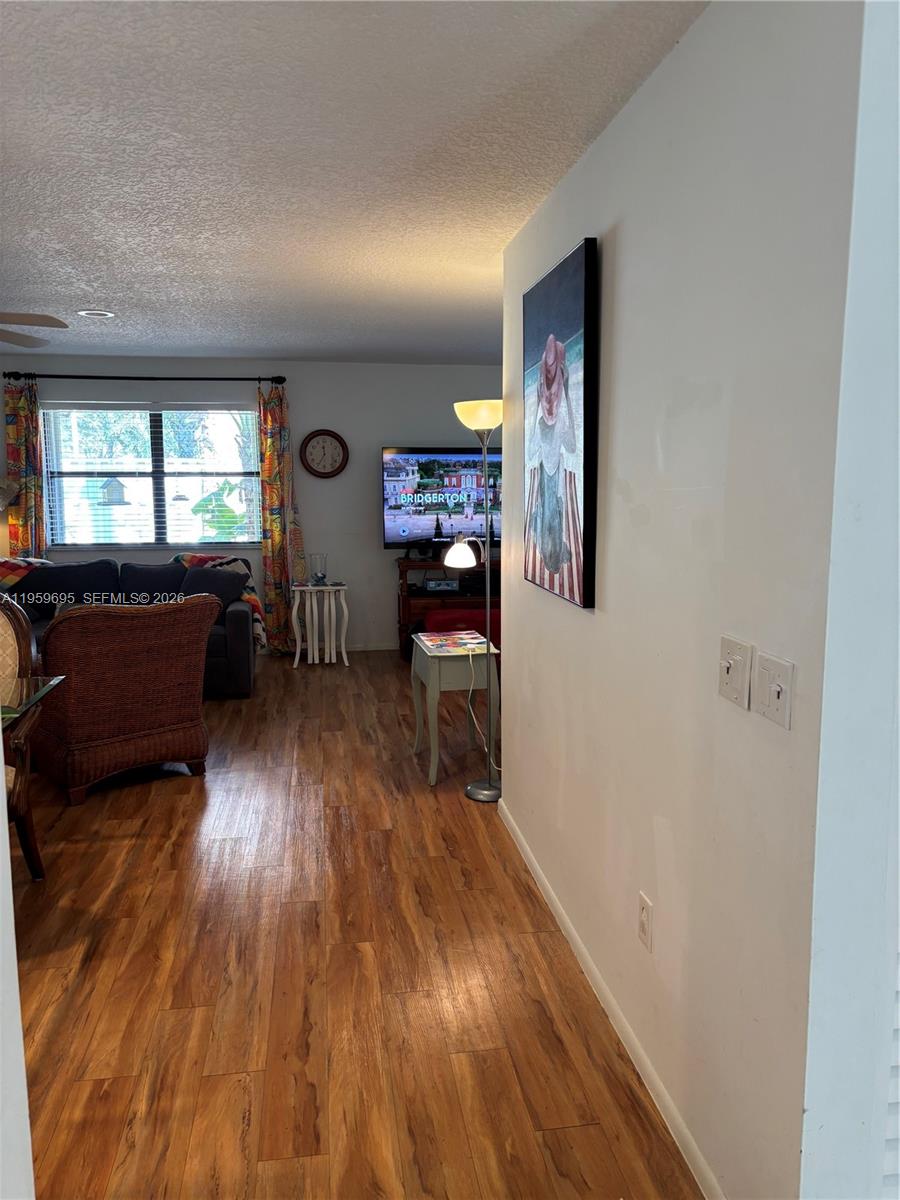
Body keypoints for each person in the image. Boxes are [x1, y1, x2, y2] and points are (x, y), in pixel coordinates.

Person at [524, 333, 583, 603]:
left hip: (551, 485)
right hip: (551, 485)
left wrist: (563, 397)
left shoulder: (546, 424)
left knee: (550, 513)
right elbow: (571, 447)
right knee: (550, 513)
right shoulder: (549, 423)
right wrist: (567, 396)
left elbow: (535, 452)